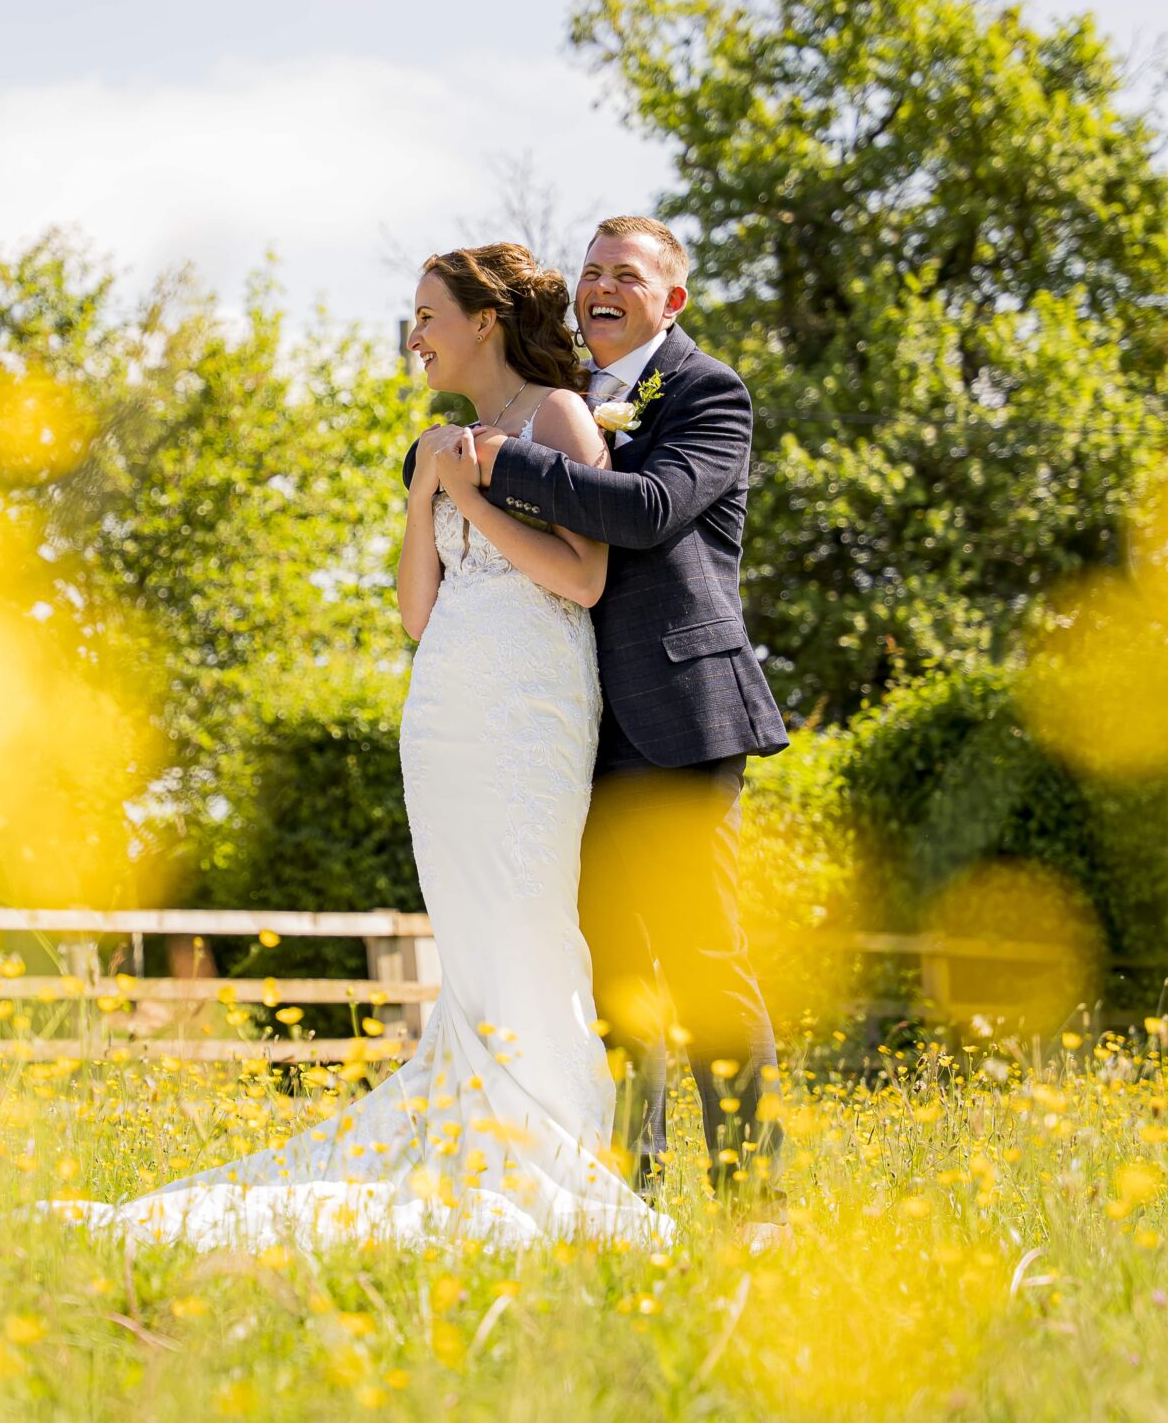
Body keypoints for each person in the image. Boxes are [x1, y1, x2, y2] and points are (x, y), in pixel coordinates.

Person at [61, 241, 668, 1247]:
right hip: (446, 707)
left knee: (526, 917)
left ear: (484, 321)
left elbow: (584, 578)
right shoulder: (439, 439)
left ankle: (549, 1137)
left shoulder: (558, 416)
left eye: (428, 315)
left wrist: (471, 490)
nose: (414, 335)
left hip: (531, 704)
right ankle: (475, 1118)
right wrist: (427, 488)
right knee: (471, 935)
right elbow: (416, 610)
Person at [468, 216, 790, 1202]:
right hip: (578, 724)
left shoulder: (707, 392)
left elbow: (647, 510)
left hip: (681, 715)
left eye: (627, 276)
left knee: (701, 958)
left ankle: (753, 1200)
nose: (600, 288)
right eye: (591, 272)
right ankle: (625, 1198)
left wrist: (499, 461)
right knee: (609, 973)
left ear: (671, 299)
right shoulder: (562, 392)